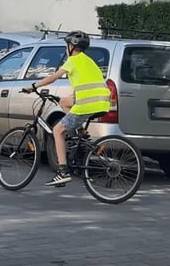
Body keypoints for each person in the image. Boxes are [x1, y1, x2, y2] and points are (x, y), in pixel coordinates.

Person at [22, 30, 111, 186]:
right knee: (64, 102)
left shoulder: (72, 60)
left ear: (71, 46)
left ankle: (63, 171)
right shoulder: (89, 60)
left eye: (66, 46)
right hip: (102, 102)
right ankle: (79, 132)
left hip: (86, 104)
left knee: (57, 130)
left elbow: (53, 77)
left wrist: (33, 86)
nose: (66, 49)